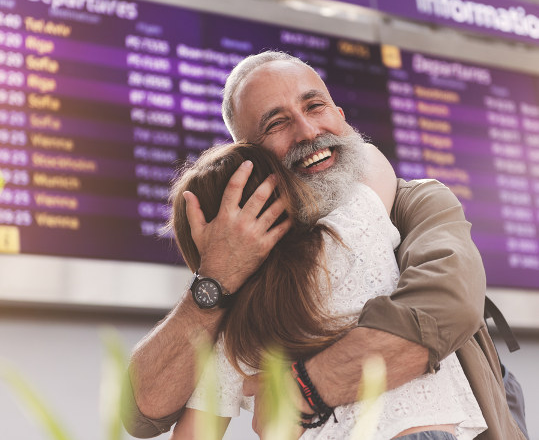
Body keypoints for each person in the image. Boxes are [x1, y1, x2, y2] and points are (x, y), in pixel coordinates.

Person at [122, 51, 526, 440]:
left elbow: (448, 308)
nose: (309, 131)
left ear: (340, 117)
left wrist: (300, 392)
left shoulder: (414, 201)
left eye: (315, 106)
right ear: (250, 158)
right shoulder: (239, 282)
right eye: (276, 124)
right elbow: (142, 414)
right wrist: (215, 279)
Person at [166, 141, 487, 439]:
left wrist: (216, 267)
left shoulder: (236, 331)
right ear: (286, 194)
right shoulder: (349, 229)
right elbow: (370, 157)